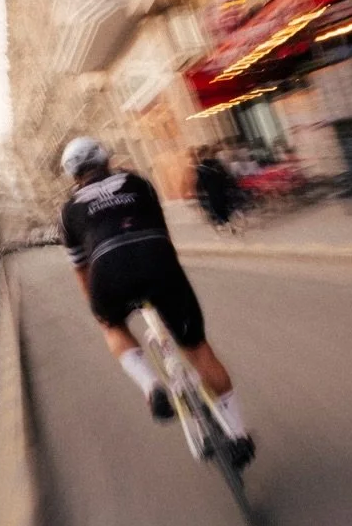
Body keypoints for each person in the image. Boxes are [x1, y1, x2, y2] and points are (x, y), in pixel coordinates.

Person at [58, 136, 254, 463]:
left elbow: (81, 270)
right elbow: (162, 234)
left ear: (73, 176)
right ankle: (238, 436)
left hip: (108, 273)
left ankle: (151, 386)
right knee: (197, 349)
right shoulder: (138, 183)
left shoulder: (68, 213)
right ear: (106, 159)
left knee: (112, 327)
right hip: (158, 262)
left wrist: (102, 313)